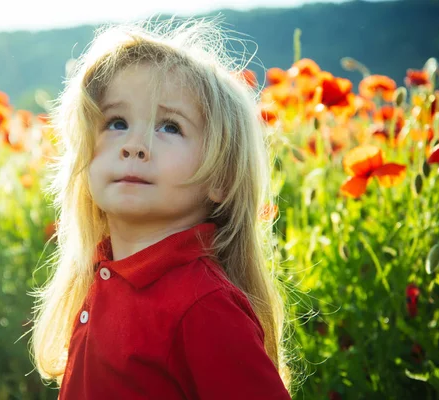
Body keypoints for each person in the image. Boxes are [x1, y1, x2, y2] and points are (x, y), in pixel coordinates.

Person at [30, 16, 294, 400]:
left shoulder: (204, 307)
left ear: (221, 178)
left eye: (169, 127)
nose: (134, 144)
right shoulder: (104, 275)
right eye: (116, 122)